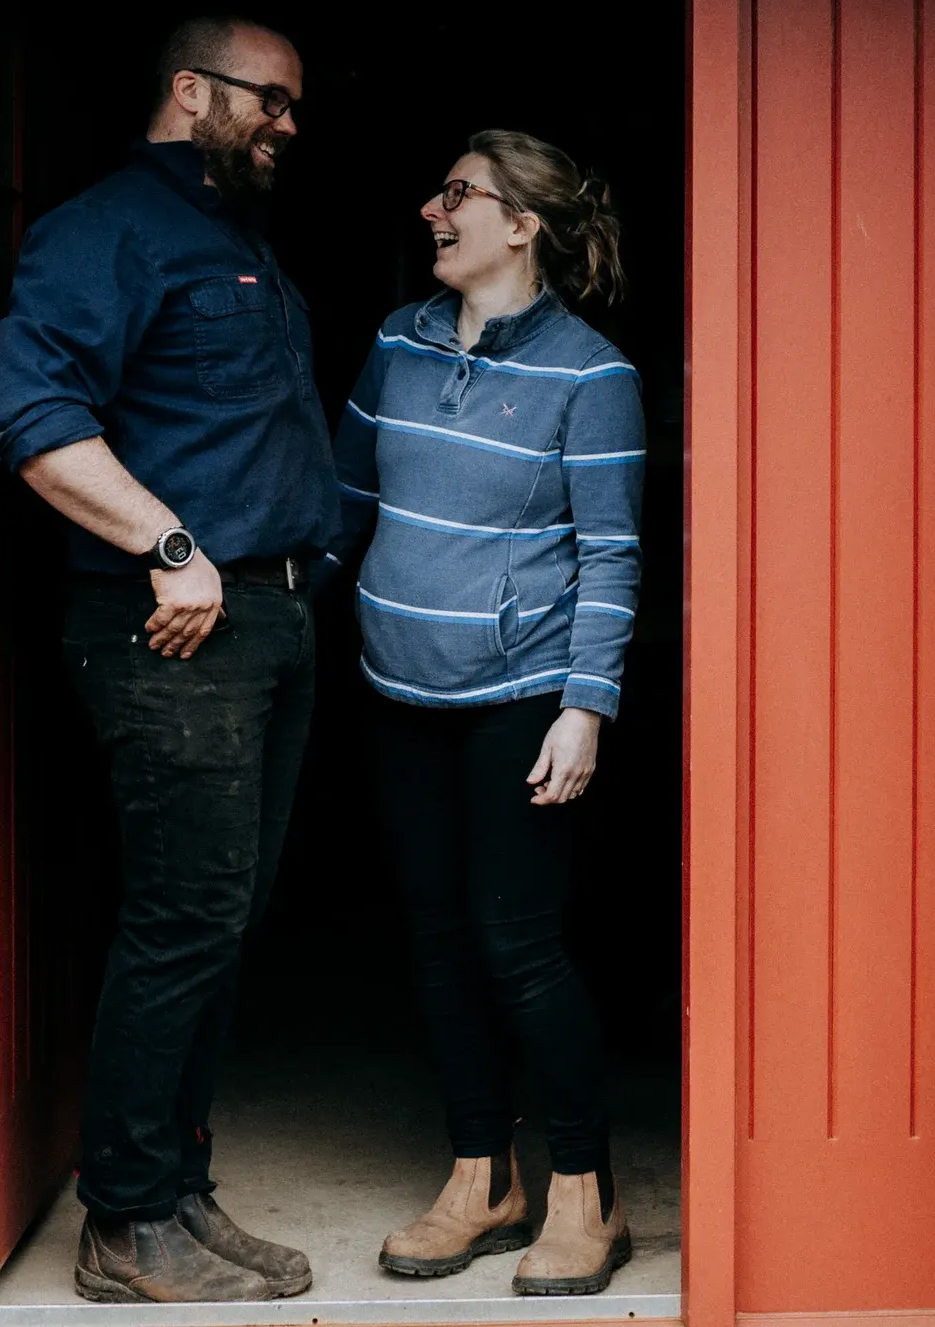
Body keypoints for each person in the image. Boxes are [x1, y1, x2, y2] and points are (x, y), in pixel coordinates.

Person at [0, 15, 337, 1305]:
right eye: (271, 100)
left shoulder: (238, 238)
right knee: (184, 918)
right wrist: (169, 542)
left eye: (295, 107)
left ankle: (179, 1190)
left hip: (268, 620)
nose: (289, 125)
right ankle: (124, 1224)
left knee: (223, 922)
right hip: (179, 625)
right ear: (191, 89)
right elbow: (27, 416)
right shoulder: (106, 229)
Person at [329, 131, 645, 1296]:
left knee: (518, 946)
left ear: (523, 225)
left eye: (457, 193)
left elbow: (612, 555)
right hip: (396, 687)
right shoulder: (396, 344)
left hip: (522, 697)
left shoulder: (590, 371)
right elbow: (347, 496)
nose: (432, 209)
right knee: (438, 942)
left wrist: (586, 707)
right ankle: (482, 1176)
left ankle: (582, 1193)